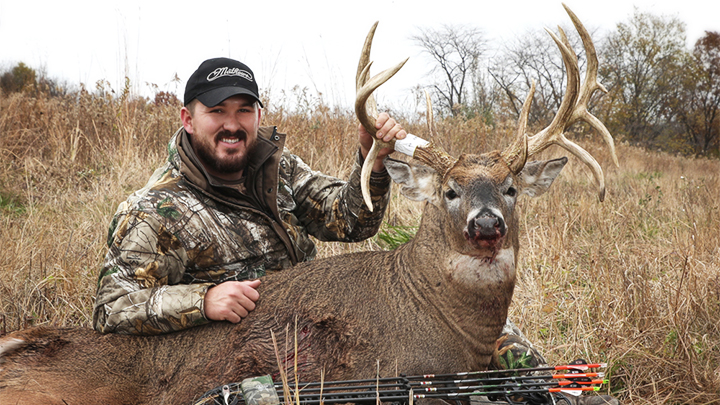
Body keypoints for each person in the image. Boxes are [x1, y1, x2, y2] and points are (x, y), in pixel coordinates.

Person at [93, 57, 618, 405]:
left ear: (256, 115)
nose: (232, 124)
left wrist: (372, 154)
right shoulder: (154, 209)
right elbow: (110, 310)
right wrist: (203, 299)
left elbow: (350, 218)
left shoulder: (278, 171)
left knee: (501, 352)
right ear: (188, 118)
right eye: (217, 111)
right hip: (229, 348)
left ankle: (568, 394)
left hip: (314, 320)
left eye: (243, 110)